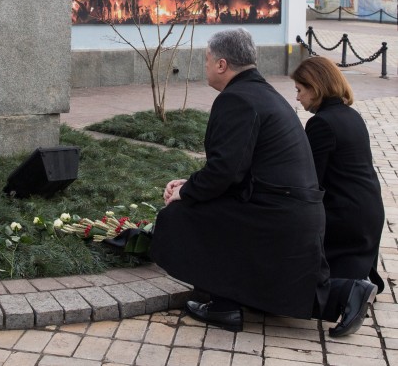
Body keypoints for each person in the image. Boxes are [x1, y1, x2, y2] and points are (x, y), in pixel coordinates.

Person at [152, 29, 376, 336]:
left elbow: (226, 172)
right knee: (211, 213)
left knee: (179, 216)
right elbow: (234, 168)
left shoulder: (237, 99)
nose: (205, 66)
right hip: (287, 210)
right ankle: (225, 306)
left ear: (221, 64)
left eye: (207, 60)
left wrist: (185, 192)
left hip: (277, 214)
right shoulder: (260, 92)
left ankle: (343, 293)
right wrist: (191, 184)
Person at [291, 57, 385, 293]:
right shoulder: (351, 115)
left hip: (345, 217)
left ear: (315, 88)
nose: (298, 98)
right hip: (368, 211)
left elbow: (311, 180)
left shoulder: (321, 123)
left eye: (300, 90)